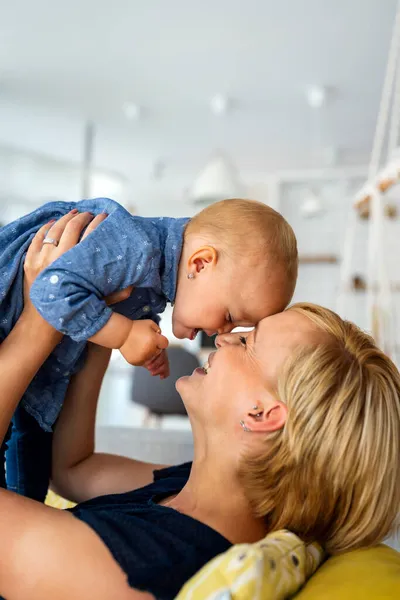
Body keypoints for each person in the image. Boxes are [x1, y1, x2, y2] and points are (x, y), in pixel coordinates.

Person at [0, 218, 398, 600]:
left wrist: (40, 319)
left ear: (261, 414)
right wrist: (106, 325)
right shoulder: (204, 496)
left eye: (248, 344)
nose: (223, 340)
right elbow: (73, 470)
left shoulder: (145, 564)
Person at [0, 198, 298, 502]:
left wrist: (140, 336)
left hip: (26, 370)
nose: (222, 335)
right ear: (200, 263)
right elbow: (50, 290)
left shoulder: (152, 270)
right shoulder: (136, 247)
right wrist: (124, 333)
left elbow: (124, 303)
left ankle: (21, 514)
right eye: (230, 318)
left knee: (30, 458)